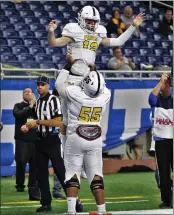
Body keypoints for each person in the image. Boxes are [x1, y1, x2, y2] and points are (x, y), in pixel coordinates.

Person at [48, 6, 145, 158]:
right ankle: (65, 147)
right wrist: (51, 31)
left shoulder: (99, 32)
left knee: (87, 118)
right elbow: (54, 43)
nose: (92, 25)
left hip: (87, 77)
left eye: (94, 22)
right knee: (68, 119)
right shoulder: (74, 31)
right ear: (81, 19)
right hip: (72, 76)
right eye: (89, 21)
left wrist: (133, 26)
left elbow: (119, 40)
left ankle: (83, 152)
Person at [22, 76, 83, 213]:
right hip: (39, 141)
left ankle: (75, 201)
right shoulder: (37, 103)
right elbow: (36, 122)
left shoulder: (53, 100)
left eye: (42, 84)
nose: (39, 87)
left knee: (60, 172)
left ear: (48, 85)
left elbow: (57, 122)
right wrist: (28, 126)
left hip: (52, 140)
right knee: (41, 174)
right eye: (38, 84)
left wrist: (37, 122)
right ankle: (46, 203)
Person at [55, 68, 111, 214]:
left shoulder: (75, 93)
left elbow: (60, 86)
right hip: (95, 137)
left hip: (76, 136)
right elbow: (100, 87)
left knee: (73, 174)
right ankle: (102, 210)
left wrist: (67, 68)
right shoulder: (105, 95)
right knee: (96, 175)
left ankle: (71, 210)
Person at [148, 72, 173, 208]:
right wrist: (161, 82)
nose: (166, 87)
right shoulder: (156, 101)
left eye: (168, 85)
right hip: (161, 141)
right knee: (163, 174)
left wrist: (168, 84)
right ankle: (167, 201)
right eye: (164, 85)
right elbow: (151, 97)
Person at [13, 88, 40, 200]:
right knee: (21, 162)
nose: (28, 93)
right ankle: (20, 184)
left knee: (34, 164)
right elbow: (18, 114)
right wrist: (29, 106)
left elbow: (40, 118)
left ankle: (32, 185)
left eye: (29, 92)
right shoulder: (18, 105)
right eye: (25, 92)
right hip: (22, 139)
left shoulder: (36, 106)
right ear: (23, 95)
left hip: (34, 139)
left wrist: (33, 105)